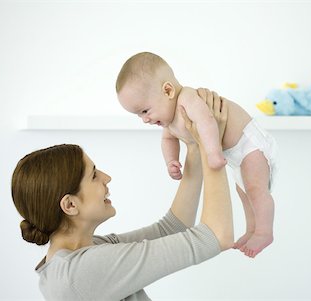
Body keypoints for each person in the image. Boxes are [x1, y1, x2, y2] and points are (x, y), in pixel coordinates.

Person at [11, 91, 233, 300]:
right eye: (94, 175)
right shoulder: (83, 271)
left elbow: (171, 229)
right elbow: (215, 236)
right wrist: (210, 143)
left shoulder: (81, 254)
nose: (107, 177)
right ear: (70, 205)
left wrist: (194, 146)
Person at [116, 52, 278, 258]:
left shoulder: (187, 98)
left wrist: (212, 153)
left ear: (167, 90)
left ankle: (265, 231)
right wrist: (171, 161)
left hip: (249, 144)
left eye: (145, 111)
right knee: (244, 194)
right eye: (138, 115)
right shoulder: (168, 120)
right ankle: (252, 230)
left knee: (256, 191)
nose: (144, 119)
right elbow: (168, 140)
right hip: (237, 156)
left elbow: (208, 121)